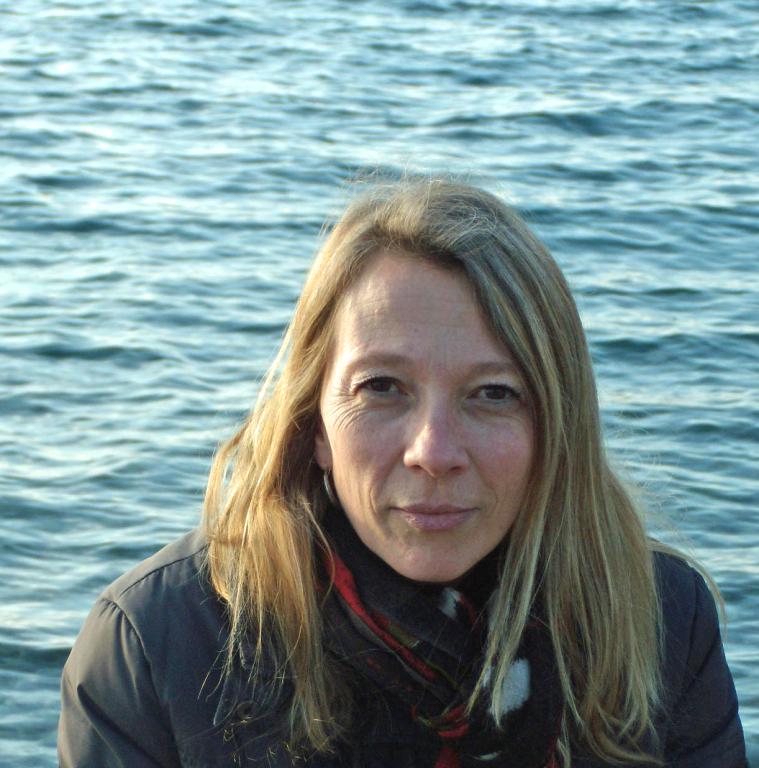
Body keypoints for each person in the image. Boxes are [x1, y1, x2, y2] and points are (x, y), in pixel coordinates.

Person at [58, 177, 748, 767]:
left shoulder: (657, 616)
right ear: (314, 424)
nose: (434, 451)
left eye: (494, 393)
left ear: (555, 429)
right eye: (382, 387)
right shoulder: (154, 644)